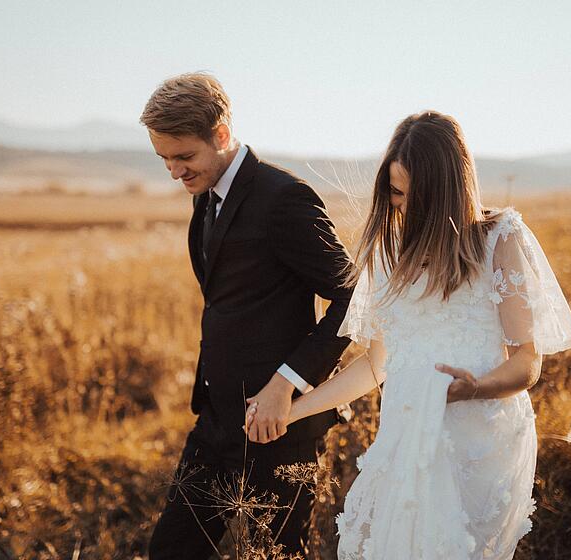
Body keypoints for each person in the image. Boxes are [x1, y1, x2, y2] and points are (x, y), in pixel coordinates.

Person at [246, 111, 571, 559]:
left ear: (445, 191)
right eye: (394, 192)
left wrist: (476, 387)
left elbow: (527, 362)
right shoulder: (386, 256)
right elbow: (374, 366)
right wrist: (294, 410)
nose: (399, 205)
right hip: (404, 441)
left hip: (479, 443)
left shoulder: (500, 239)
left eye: (409, 194)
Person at [142, 73, 354, 559]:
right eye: (165, 160)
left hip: (281, 428)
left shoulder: (285, 198)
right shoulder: (206, 193)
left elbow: (352, 298)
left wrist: (287, 383)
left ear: (220, 135)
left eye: (184, 156)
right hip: (216, 422)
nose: (174, 172)